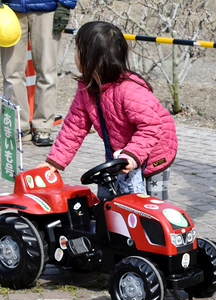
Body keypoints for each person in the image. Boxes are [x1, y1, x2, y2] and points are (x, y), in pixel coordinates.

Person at [37, 21, 177, 200]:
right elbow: (74, 127)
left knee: (153, 208)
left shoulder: (130, 90)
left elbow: (151, 127)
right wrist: (54, 162)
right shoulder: (87, 88)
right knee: (115, 204)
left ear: (91, 58)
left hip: (155, 155)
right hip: (123, 156)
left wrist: (132, 154)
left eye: (77, 50)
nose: (75, 55)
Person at [1, 0, 76, 146]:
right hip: (10, 9)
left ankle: (43, 126)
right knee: (11, 72)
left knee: (47, 72)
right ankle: (18, 127)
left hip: (46, 9)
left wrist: (65, 4)